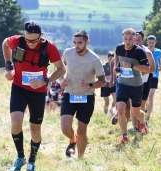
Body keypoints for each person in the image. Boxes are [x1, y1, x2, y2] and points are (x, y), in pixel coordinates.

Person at [2, 20, 66, 171]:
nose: (31, 43)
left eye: (34, 41)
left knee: (35, 130)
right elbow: (5, 43)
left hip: (38, 91)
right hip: (19, 87)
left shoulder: (48, 47)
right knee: (16, 123)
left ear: (41, 37)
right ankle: (20, 157)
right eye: (28, 40)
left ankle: (32, 160)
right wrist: (9, 66)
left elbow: (61, 69)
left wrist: (46, 80)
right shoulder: (17, 41)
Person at [61, 30, 106, 158]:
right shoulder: (67, 53)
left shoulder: (94, 59)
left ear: (87, 42)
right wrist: (62, 80)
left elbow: (103, 81)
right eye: (74, 42)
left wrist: (89, 85)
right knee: (65, 128)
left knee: (82, 129)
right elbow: (60, 69)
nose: (77, 46)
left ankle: (80, 158)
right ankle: (73, 140)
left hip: (86, 97)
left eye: (80, 43)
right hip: (69, 94)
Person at [113, 28, 151, 147]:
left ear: (134, 39)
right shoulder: (119, 48)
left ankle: (142, 121)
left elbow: (146, 69)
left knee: (136, 112)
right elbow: (116, 57)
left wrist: (132, 65)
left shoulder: (139, 51)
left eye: (130, 39)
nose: (128, 42)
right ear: (122, 38)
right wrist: (115, 67)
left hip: (136, 85)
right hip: (123, 84)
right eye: (125, 39)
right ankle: (125, 137)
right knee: (120, 109)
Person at [130, 31, 155, 131]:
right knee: (133, 105)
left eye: (138, 40)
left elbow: (153, 68)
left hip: (145, 81)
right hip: (133, 82)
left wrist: (143, 70)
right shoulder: (130, 51)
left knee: (142, 105)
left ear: (143, 40)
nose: (136, 42)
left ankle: (141, 123)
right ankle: (135, 127)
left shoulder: (147, 52)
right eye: (134, 40)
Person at [146, 35, 161, 121]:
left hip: (155, 76)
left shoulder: (158, 51)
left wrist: (160, 66)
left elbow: (160, 59)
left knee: (151, 96)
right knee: (144, 97)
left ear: (155, 43)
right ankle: (145, 109)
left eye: (153, 43)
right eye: (149, 43)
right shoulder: (144, 50)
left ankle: (148, 115)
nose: (151, 44)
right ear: (147, 43)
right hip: (146, 75)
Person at [100, 51, 116, 116]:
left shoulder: (116, 66)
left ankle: (111, 109)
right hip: (105, 86)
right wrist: (106, 77)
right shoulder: (104, 66)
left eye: (113, 58)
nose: (111, 60)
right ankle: (105, 114)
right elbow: (99, 75)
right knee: (107, 102)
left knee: (116, 99)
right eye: (110, 58)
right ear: (107, 58)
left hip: (113, 85)